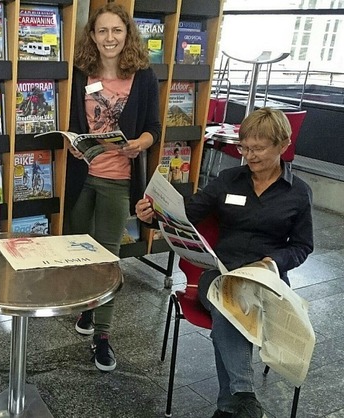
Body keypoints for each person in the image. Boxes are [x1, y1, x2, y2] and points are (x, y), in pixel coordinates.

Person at [135, 107, 314, 418]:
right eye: (244, 147)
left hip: (265, 279)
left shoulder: (298, 193)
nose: (249, 155)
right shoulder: (229, 180)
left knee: (231, 309)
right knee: (228, 299)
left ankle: (232, 405)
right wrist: (153, 217)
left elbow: (302, 246)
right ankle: (244, 393)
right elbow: (189, 213)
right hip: (218, 272)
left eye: (258, 148)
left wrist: (273, 262)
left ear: (283, 145)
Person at [65, 3, 162, 372]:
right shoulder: (80, 74)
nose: (110, 38)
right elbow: (75, 122)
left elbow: (153, 127)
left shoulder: (144, 77)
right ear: (92, 35)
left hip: (119, 181)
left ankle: (102, 336)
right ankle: (89, 308)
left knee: (107, 259)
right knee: (79, 251)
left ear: (128, 34)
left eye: (117, 31)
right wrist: (73, 143)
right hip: (81, 177)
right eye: (102, 31)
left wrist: (140, 143)